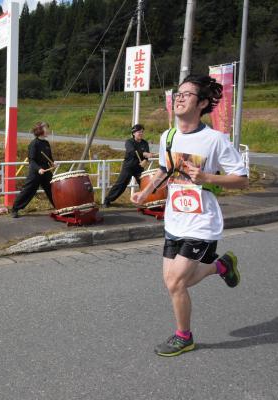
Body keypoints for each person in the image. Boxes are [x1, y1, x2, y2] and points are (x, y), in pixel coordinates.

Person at [131, 74, 249, 357]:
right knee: (172, 281)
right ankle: (220, 267)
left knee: (176, 282)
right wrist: (145, 194)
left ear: (203, 103)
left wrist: (207, 176)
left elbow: (242, 179)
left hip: (202, 222)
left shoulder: (215, 140)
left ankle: (184, 336)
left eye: (187, 94)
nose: (179, 97)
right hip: (175, 219)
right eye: (178, 93)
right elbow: (165, 169)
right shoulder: (168, 136)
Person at [10, 122, 55, 218]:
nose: (48, 130)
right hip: (35, 171)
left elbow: (49, 157)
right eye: (46, 128)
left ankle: (59, 207)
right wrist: (38, 169)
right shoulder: (34, 144)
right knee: (28, 190)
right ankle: (15, 209)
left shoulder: (46, 143)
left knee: (52, 189)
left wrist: (52, 163)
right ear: (40, 130)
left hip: (46, 170)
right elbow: (32, 160)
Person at [104, 124, 155, 207]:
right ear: (134, 133)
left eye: (142, 132)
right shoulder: (129, 142)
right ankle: (107, 200)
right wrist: (145, 154)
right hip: (128, 167)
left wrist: (146, 160)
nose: (141, 133)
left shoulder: (145, 143)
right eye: (139, 132)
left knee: (145, 184)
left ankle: (149, 201)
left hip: (139, 168)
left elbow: (146, 156)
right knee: (121, 185)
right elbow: (132, 152)